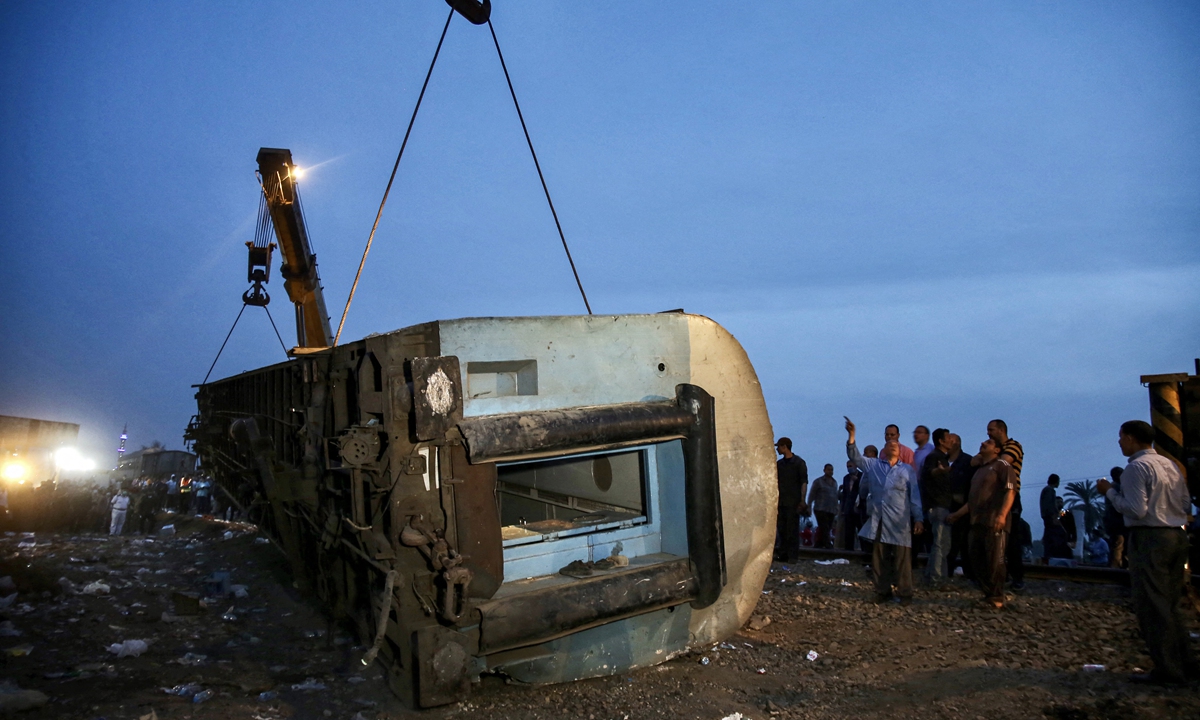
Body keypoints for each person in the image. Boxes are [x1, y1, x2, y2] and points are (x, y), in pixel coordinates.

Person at [1097, 420, 1197, 685]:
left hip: (1150, 537)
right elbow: (1186, 503)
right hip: (1177, 534)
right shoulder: (1169, 465)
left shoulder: (1136, 468)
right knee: (1171, 604)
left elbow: (1135, 509)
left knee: (1152, 605)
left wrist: (1109, 493)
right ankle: (1187, 663)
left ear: (1131, 438)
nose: (1119, 442)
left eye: (1121, 437)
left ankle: (1168, 670)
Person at [846, 418, 924, 604]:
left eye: (895, 444)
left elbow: (914, 496)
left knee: (902, 560)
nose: (893, 446)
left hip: (900, 522)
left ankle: (905, 593)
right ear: (884, 448)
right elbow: (855, 457)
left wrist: (919, 518)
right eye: (889, 444)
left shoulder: (906, 471)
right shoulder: (874, 466)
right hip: (880, 519)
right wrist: (852, 436)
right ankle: (882, 591)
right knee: (879, 558)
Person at [947, 438, 1015, 609]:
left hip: (994, 522)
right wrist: (956, 515)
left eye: (989, 443)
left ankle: (997, 597)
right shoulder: (979, 471)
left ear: (997, 450)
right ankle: (988, 595)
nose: (983, 443)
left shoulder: (1002, 466)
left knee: (995, 561)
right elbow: (973, 501)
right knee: (976, 559)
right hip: (977, 522)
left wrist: (1002, 515)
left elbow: (1010, 491)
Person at [986, 419, 1025, 589]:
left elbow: (1002, 463)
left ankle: (1017, 578)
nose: (989, 433)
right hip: (996, 497)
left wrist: (989, 457)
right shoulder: (995, 449)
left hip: (1010, 495)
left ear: (1001, 430)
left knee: (1011, 538)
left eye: (991, 430)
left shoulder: (1014, 445)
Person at [920, 428, 955, 587]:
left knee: (941, 544)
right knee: (941, 544)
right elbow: (930, 473)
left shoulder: (941, 457)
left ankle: (931, 577)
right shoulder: (934, 457)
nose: (951, 440)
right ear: (941, 441)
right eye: (948, 438)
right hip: (938, 506)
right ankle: (936, 580)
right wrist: (941, 471)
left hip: (939, 505)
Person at [944, 433, 976, 580]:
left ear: (956, 443)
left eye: (948, 441)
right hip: (945, 508)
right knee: (946, 544)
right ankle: (947, 572)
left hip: (963, 510)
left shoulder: (968, 462)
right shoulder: (941, 461)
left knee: (964, 544)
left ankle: (969, 574)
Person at [775, 437, 809, 563]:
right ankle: (783, 554)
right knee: (782, 529)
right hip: (781, 501)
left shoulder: (799, 463)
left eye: (779, 446)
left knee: (792, 529)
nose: (777, 449)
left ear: (785, 447)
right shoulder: (779, 464)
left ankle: (793, 556)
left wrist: (802, 500)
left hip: (793, 502)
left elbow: (803, 482)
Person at [808, 464, 839, 549]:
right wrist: (809, 505)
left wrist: (837, 508)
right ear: (824, 470)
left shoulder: (834, 482)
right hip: (820, 508)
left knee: (827, 528)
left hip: (831, 509)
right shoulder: (818, 481)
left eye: (831, 470)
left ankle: (819, 544)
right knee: (824, 526)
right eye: (828, 469)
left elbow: (835, 496)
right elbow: (812, 494)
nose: (830, 471)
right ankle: (828, 544)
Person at [1104, 466, 1127, 568]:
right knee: (1118, 548)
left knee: (1116, 547)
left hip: (1113, 524)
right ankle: (1115, 569)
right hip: (1119, 524)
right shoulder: (1117, 488)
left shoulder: (1111, 488)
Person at [839, 460, 863, 551]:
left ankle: (863, 549)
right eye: (848, 466)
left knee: (860, 529)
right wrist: (843, 508)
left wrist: (856, 481)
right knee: (848, 531)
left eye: (850, 466)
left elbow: (863, 490)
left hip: (858, 507)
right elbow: (845, 494)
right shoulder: (846, 478)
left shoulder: (861, 476)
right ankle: (848, 550)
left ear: (856, 466)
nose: (849, 468)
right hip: (848, 508)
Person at [1040, 473, 1060, 555]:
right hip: (1050, 517)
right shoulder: (1049, 490)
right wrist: (1053, 515)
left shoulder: (1047, 490)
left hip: (1048, 517)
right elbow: (1049, 505)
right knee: (1051, 537)